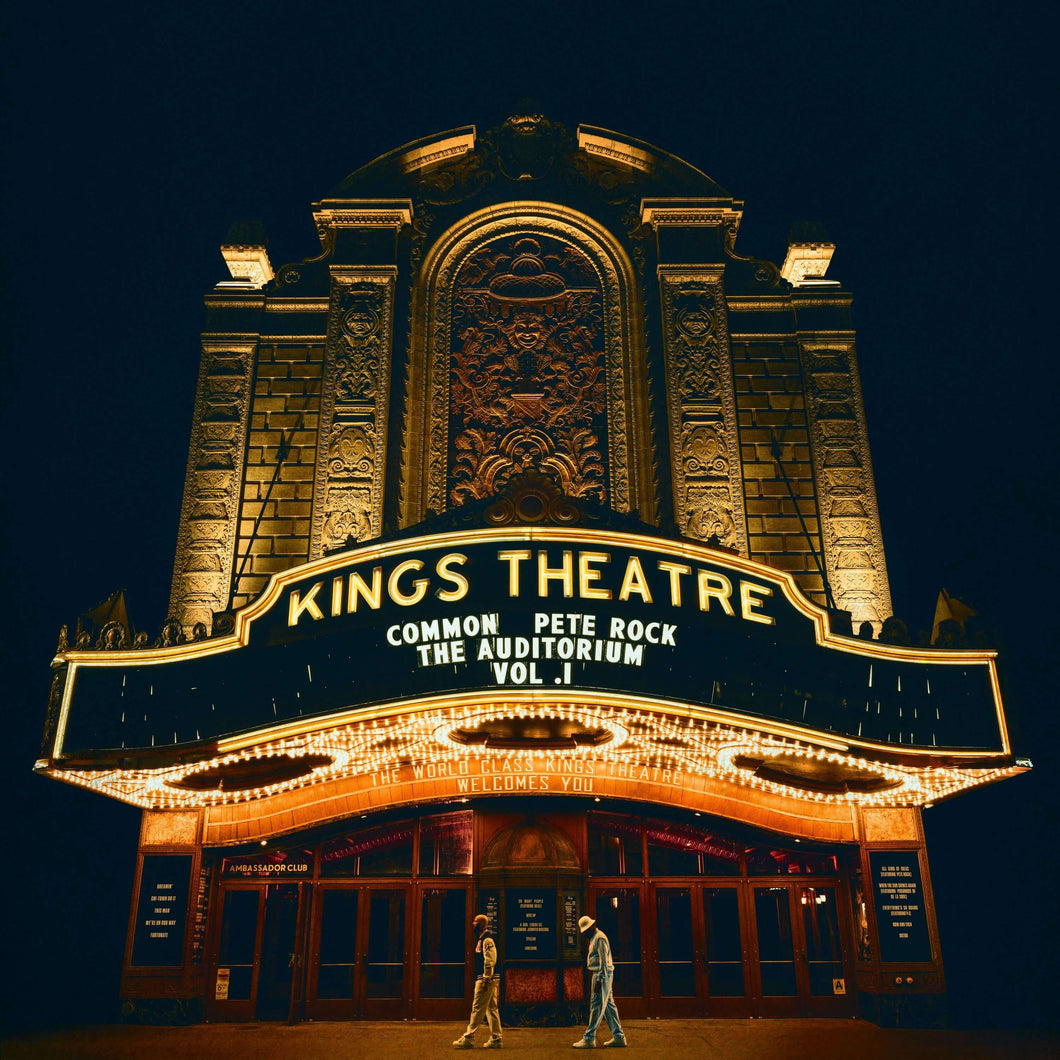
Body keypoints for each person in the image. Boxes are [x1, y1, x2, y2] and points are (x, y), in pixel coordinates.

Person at [573, 914, 627, 1048]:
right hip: (602, 974)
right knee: (608, 1006)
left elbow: (603, 961)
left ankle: (589, 1037)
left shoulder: (599, 938)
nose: (584, 934)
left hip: (601, 974)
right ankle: (618, 1036)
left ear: (591, 927)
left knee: (596, 1005)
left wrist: (600, 979)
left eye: (585, 931)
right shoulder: (595, 937)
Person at [453, 913, 502, 1049]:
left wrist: (486, 979)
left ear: (481, 925)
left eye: (475, 922)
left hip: (485, 979)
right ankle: (496, 1038)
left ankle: (469, 1037)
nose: (473, 924)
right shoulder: (482, 939)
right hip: (489, 978)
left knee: (477, 1007)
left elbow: (490, 960)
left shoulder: (487, 940)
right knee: (491, 1008)